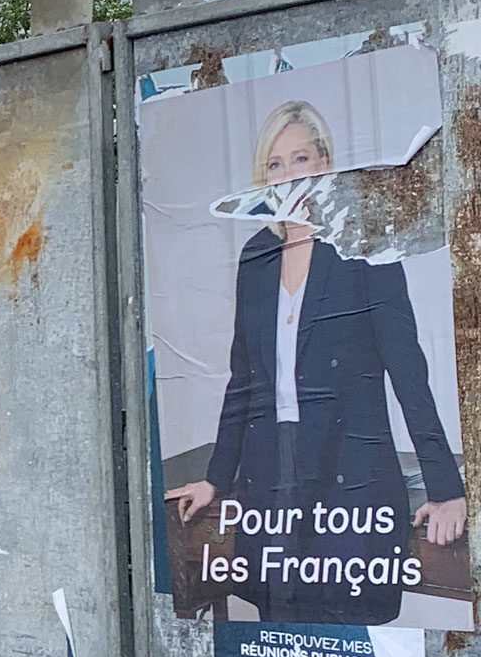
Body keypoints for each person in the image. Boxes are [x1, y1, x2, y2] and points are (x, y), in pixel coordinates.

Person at [165, 99, 465, 623]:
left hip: (347, 473)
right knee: (280, 641)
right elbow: (245, 380)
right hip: (269, 475)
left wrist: (446, 489)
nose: (287, 175)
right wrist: (216, 477)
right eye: (275, 165)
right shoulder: (256, 255)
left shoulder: (364, 242)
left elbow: (408, 372)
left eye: (300, 159)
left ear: (325, 162)